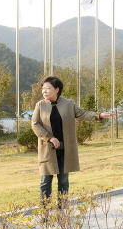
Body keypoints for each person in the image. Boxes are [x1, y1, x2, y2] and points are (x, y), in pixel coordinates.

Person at [32, 75, 114, 208]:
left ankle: (62, 209)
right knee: (45, 180)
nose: (44, 91)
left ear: (57, 89)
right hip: (48, 149)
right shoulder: (40, 105)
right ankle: (45, 210)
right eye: (43, 88)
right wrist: (49, 137)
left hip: (65, 149)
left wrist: (99, 115)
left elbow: (82, 114)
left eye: (48, 88)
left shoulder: (68, 104)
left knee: (63, 180)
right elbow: (35, 124)